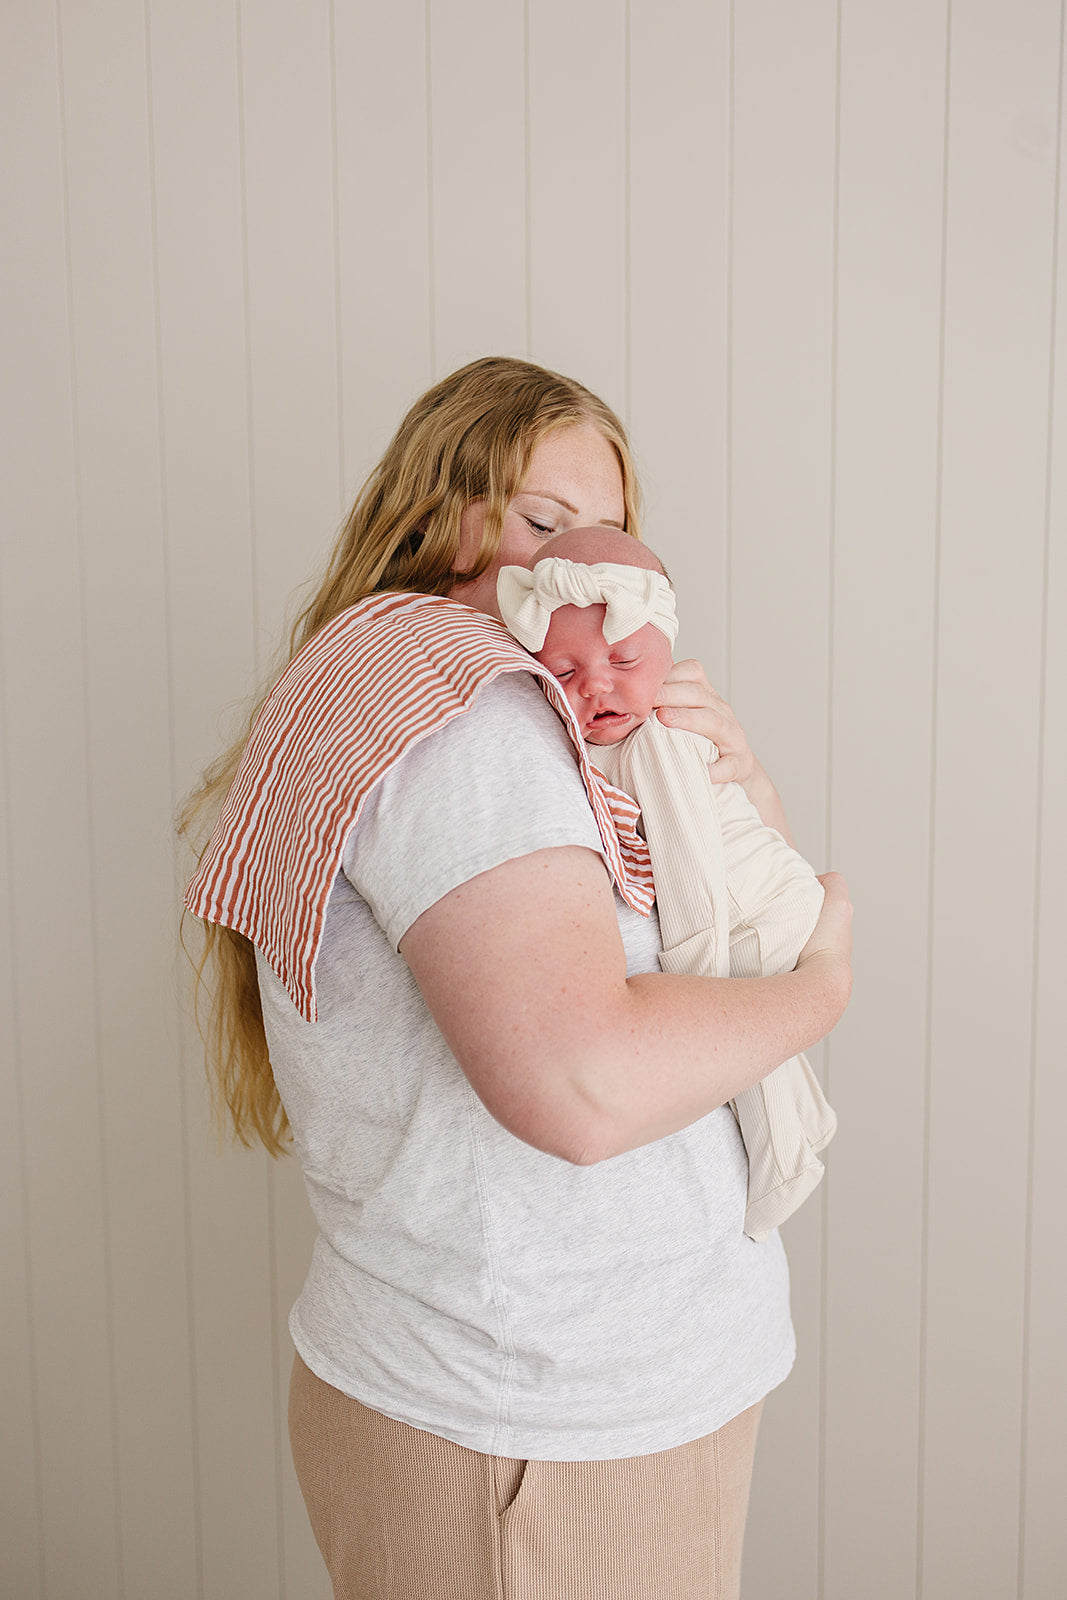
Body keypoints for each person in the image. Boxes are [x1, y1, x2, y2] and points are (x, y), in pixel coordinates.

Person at [180, 355, 852, 1600]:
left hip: (547, 1403)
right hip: (539, 1422)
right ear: (437, 510)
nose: (568, 572)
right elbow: (579, 1083)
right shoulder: (471, 707)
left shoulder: (472, 697)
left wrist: (734, 797)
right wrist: (824, 980)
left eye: (601, 540)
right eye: (540, 525)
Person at [496, 525, 837, 1243]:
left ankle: (785, 1167)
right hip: (755, 902)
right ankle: (796, 1142)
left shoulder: (658, 742)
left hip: (750, 914)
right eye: (563, 671)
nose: (596, 684)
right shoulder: (605, 741)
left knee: (756, 1059)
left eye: (623, 658)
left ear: (668, 651)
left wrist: (699, 978)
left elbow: (693, 871)